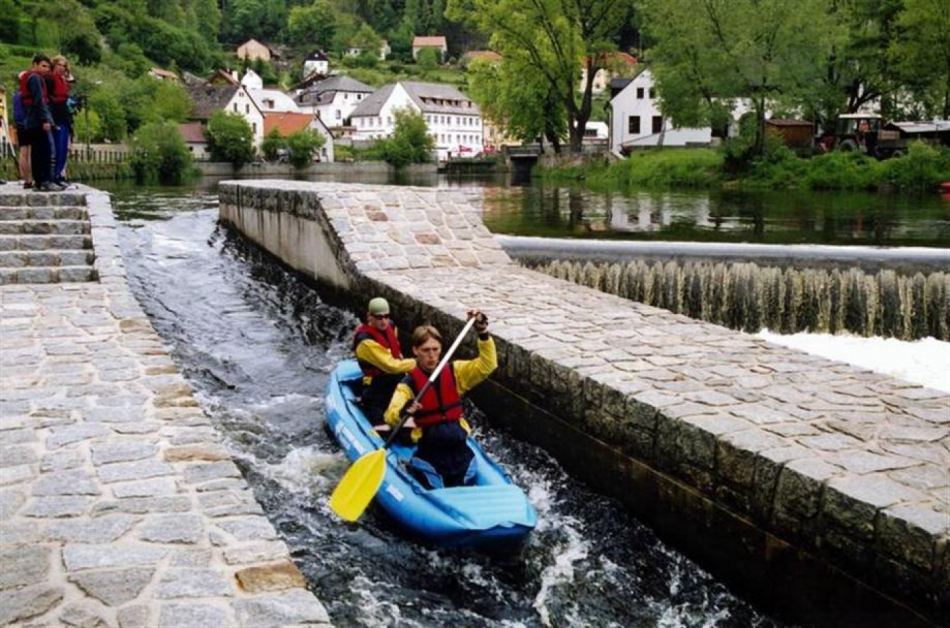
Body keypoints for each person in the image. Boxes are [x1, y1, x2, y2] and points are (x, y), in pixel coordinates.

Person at [384, 310, 494, 489]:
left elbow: (487, 365)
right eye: (426, 350)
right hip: (430, 456)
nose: (432, 355)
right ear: (415, 350)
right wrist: (405, 410)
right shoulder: (408, 384)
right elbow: (390, 415)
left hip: (461, 453)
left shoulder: (456, 372)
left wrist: (482, 332)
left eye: (435, 349)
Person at [352, 297, 416, 427]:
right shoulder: (365, 341)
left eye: (386, 316)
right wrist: (416, 363)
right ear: (370, 316)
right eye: (379, 317)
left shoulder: (391, 326)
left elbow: (397, 352)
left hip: (396, 381)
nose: (384, 321)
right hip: (376, 389)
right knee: (383, 428)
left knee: (409, 424)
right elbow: (390, 366)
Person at [19, 54, 61, 192]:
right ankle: (43, 181)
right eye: (43, 66)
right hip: (37, 120)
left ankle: (39, 182)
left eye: (48, 67)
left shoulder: (32, 78)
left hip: (32, 119)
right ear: (35, 64)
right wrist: (45, 119)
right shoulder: (35, 78)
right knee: (43, 151)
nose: (46, 69)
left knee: (38, 151)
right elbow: (39, 100)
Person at [47, 55, 72, 186]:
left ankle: (58, 175)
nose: (61, 68)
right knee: (55, 148)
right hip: (55, 115)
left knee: (62, 148)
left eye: (64, 66)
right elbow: (48, 99)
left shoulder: (63, 81)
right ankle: (52, 176)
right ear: (54, 65)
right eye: (59, 65)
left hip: (63, 116)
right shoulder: (50, 79)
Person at [12, 74, 31, 188]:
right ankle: (30, 178)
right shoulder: (25, 95)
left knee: (23, 152)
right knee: (29, 153)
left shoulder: (16, 95)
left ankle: (24, 177)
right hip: (28, 125)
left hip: (20, 125)